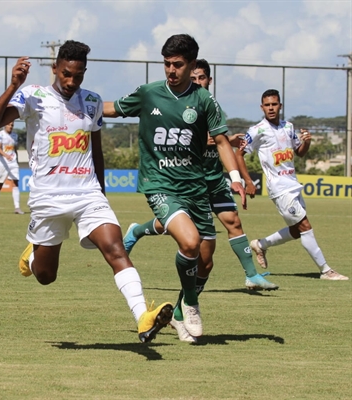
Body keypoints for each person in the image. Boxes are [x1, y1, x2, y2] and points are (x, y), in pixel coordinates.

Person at [0, 40, 173, 343]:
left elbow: (97, 153)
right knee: (46, 276)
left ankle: (143, 317)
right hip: (48, 199)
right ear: (55, 68)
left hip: (87, 195)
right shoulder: (33, 97)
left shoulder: (92, 102)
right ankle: (32, 258)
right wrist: (12, 86)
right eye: (66, 74)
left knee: (115, 248)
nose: (71, 82)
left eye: (78, 75)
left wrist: (102, 195)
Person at [103, 35, 247, 343]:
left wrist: (234, 175)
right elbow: (113, 109)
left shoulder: (205, 102)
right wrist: (74, 103)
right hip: (160, 184)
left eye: (178, 65)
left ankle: (180, 311)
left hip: (196, 188)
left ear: (192, 65)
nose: (171, 70)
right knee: (190, 242)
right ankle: (191, 303)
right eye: (167, 63)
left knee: (206, 260)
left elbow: (222, 141)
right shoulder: (149, 94)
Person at [122, 59, 279, 296]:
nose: (197, 82)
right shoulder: (180, 107)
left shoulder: (210, 105)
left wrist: (237, 173)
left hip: (214, 178)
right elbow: (203, 139)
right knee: (179, 228)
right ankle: (136, 231)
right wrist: (222, 140)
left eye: (201, 78)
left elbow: (220, 142)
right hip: (190, 181)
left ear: (209, 80)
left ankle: (251, 275)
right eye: (193, 78)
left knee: (233, 221)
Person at [235, 89, 348, 281]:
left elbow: (300, 152)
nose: (271, 108)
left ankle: (261, 245)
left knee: (297, 230)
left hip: (293, 184)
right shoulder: (257, 130)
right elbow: (239, 154)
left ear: (280, 106)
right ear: (262, 107)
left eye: (274, 104)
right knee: (305, 226)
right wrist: (247, 181)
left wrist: (307, 142)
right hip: (279, 188)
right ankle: (326, 270)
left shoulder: (288, 127)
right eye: (267, 105)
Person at [0, 121, 24, 215]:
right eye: (9, 124)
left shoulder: (15, 136)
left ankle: (17, 207)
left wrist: (17, 160)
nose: (11, 126)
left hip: (13, 163)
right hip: (2, 163)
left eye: (12, 125)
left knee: (15, 183)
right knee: (0, 184)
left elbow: (15, 149)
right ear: (5, 125)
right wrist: (6, 156)